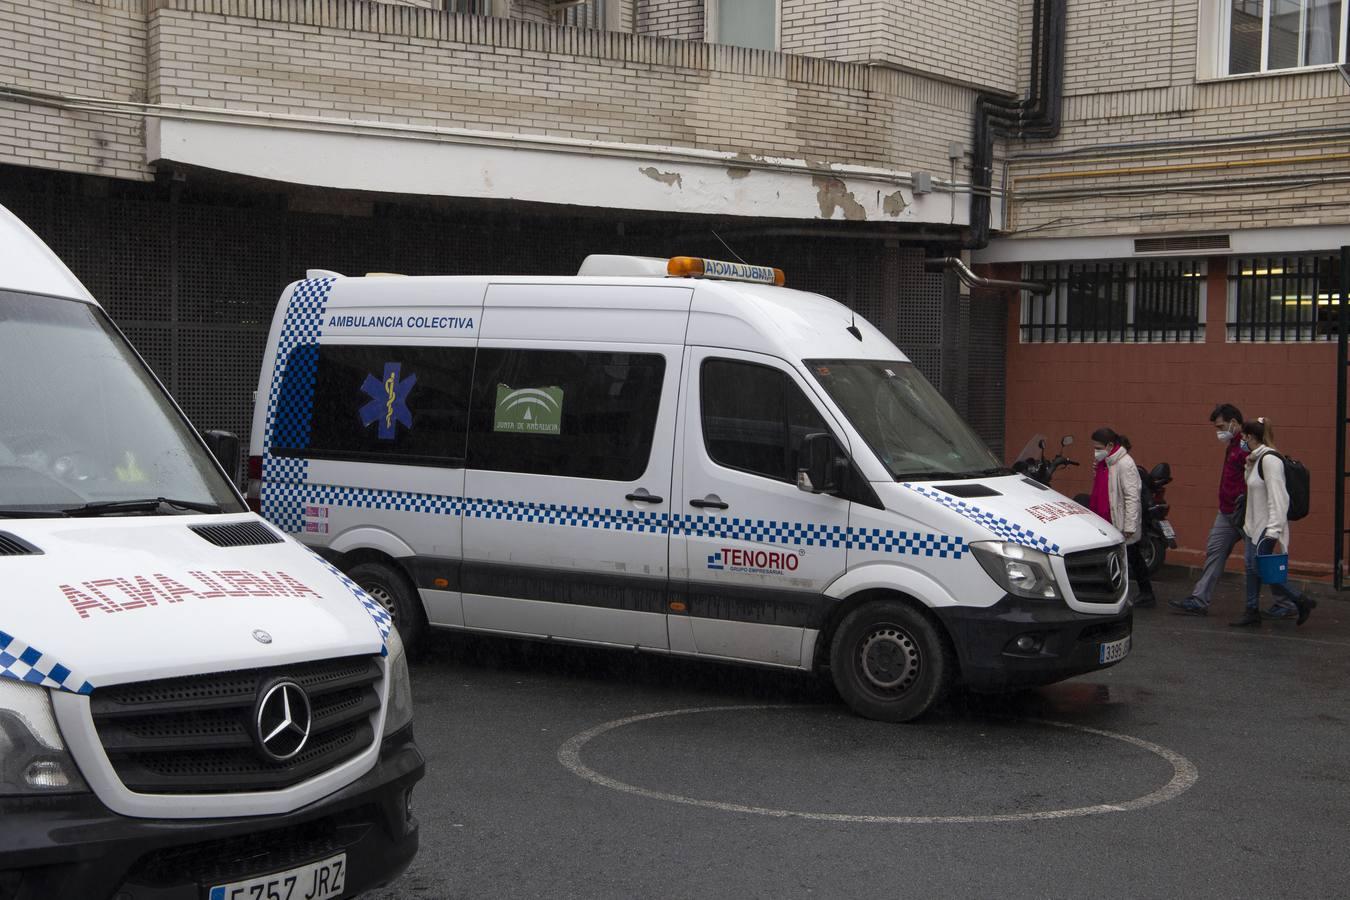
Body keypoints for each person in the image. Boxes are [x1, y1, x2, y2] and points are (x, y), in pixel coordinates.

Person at [1229, 417, 1317, 627]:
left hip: (1265, 527)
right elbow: (1254, 488)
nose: (1241, 439)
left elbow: (1279, 498)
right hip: (1253, 526)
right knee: (1252, 567)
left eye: (1243, 436)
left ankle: (1300, 600)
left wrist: (1273, 531)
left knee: (1260, 568)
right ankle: (1251, 610)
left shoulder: (1270, 460)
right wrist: (1249, 466)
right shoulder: (1256, 459)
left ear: (1250, 436)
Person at [1170, 403, 1249, 616]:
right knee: (1215, 553)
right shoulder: (1233, 444)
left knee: (1258, 561)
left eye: (1221, 426)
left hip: (1243, 513)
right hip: (1226, 512)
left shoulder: (1244, 444)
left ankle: (1288, 600)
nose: (1219, 432)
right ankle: (1199, 600)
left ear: (1234, 422)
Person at [1088, 427, 1155, 607]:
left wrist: (1129, 526)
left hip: (1118, 519)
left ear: (1110, 445)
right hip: (1103, 517)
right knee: (1121, 556)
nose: (1096, 451)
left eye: (1098, 447)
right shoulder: (1106, 462)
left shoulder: (1125, 463)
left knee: (1130, 556)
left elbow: (1132, 496)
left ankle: (1145, 593)